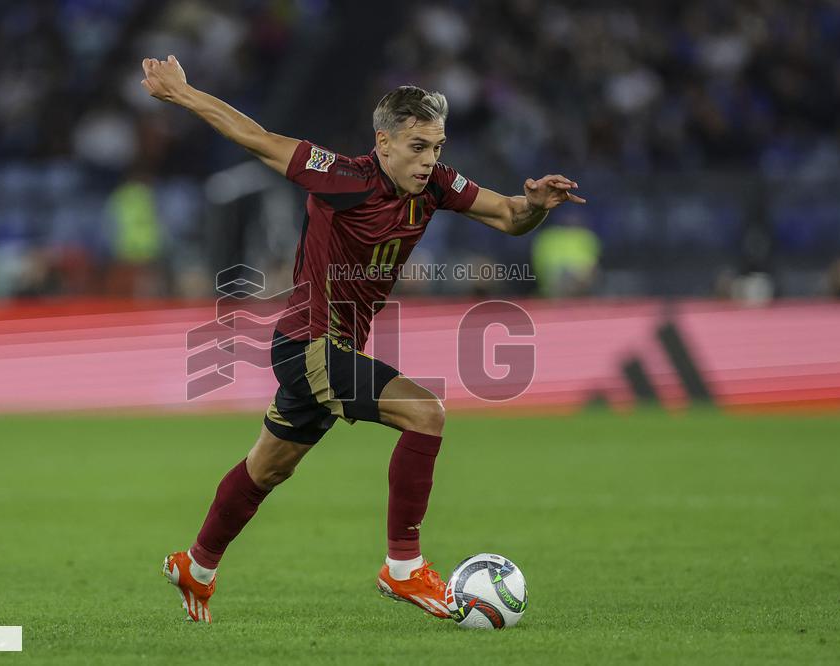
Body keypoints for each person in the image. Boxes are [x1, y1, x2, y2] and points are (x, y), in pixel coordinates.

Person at [141, 54, 585, 623]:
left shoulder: (436, 185)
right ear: (384, 142)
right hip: (308, 347)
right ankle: (403, 566)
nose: (430, 160)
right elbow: (257, 138)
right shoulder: (342, 178)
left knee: (267, 468)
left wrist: (537, 208)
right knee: (425, 413)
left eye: (437, 147)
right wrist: (183, 94)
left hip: (334, 351)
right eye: (418, 147)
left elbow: (507, 215)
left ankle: (196, 566)